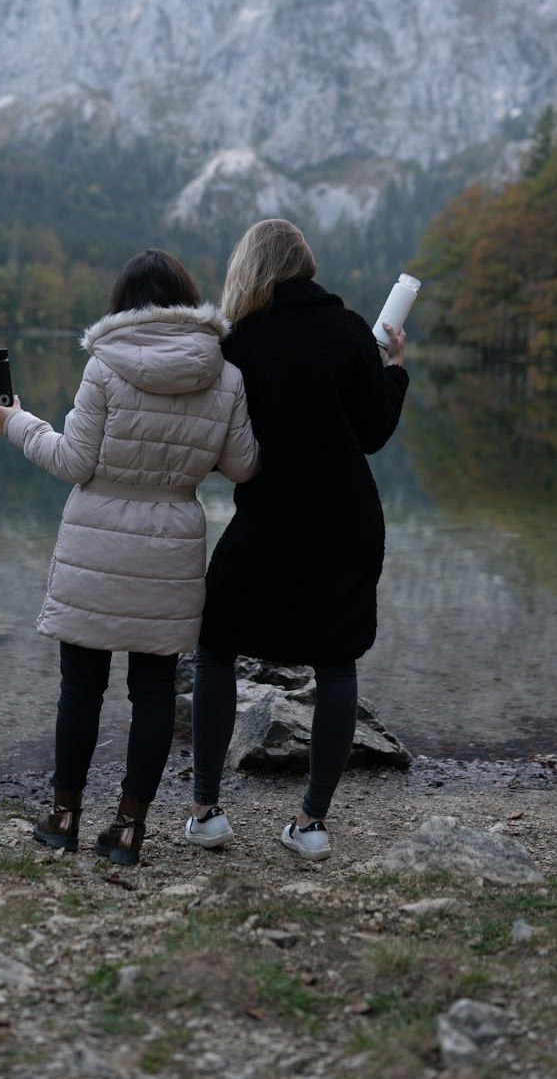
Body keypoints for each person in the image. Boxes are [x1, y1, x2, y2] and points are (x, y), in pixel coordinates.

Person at [0, 249, 259, 866]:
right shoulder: (228, 375)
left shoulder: (104, 367)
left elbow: (75, 462)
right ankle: (129, 831)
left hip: (96, 539)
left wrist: (16, 422)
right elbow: (243, 465)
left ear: (123, 305)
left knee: (80, 689)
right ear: (186, 301)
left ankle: (62, 819)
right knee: (155, 692)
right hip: (173, 542)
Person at [185, 219, 408, 862]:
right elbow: (371, 432)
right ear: (306, 266)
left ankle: (204, 811)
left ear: (251, 270)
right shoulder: (349, 330)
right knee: (337, 662)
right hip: (346, 522)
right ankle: (311, 825)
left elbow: (217, 434)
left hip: (269, 521)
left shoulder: (239, 341)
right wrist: (393, 370)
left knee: (216, 645)